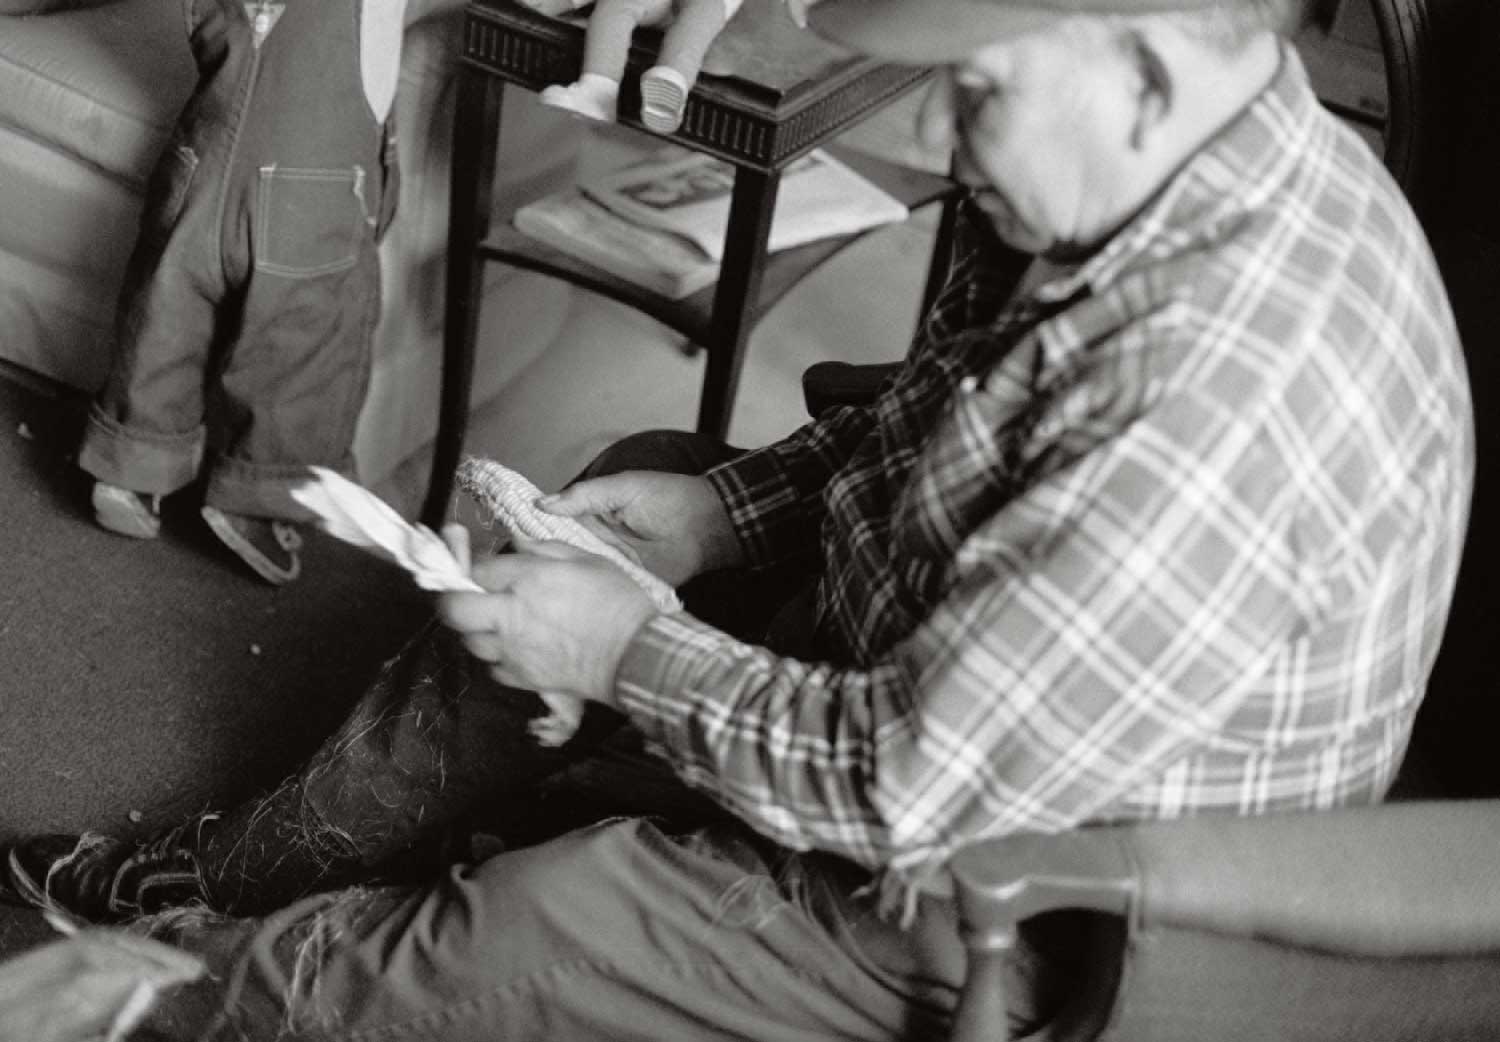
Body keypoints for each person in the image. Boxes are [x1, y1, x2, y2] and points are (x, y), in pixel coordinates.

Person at [2, 0, 1475, 1036]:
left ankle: (170, 998)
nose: (950, 141)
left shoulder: (1224, 387)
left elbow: (906, 787)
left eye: (978, 93)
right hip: (948, 699)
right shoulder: (1141, 172)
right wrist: (714, 515)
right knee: (627, 500)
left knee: (530, 936)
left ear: (1148, 73)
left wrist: (631, 652)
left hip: (1009, 904)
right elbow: (940, 417)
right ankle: (239, 869)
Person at [78, 0, 404, 584]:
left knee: (167, 310)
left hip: (198, 168)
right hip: (311, 195)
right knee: (308, 342)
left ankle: (132, 467)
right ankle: (255, 500)